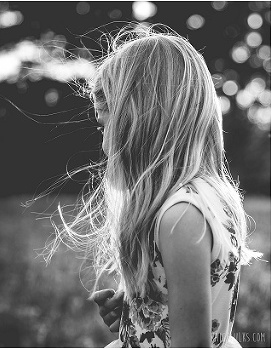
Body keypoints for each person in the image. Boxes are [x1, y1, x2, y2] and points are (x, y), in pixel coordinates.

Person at [46, 25, 260, 347]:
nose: (104, 146)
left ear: (142, 123)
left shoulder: (181, 217)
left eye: (107, 126)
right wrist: (140, 309)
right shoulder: (205, 201)